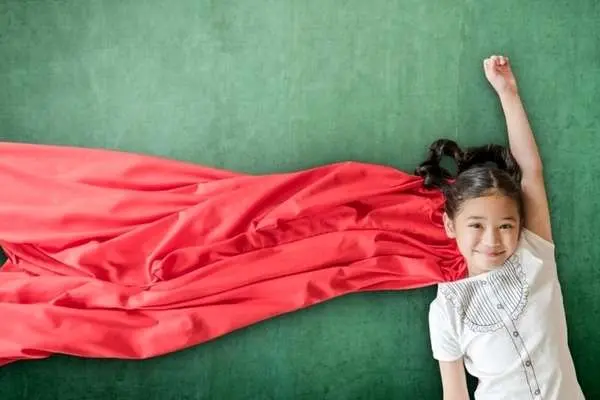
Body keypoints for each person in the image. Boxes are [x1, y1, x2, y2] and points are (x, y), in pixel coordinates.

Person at [420, 55, 585, 399]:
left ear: (521, 224)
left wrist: (508, 92)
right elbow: (455, 395)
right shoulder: (447, 308)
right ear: (450, 225)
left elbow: (531, 172)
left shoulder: (534, 253)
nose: (492, 239)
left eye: (506, 225)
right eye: (476, 225)